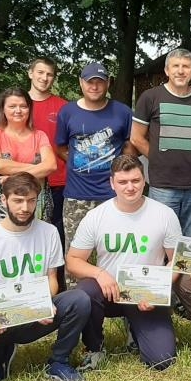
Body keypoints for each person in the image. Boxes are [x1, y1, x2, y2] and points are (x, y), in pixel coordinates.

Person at [0, 172, 90, 381]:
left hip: (35, 313)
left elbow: (52, 278)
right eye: (18, 200)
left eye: (31, 200)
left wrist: (44, 302)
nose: (25, 208)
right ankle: (1, 357)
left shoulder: (49, 232)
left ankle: (59, 361)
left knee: (79, 299)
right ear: (4, 200)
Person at [67, 156, 191, 371]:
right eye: (123, 182)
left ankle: (136, 328)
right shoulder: (96, 216)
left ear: (144, 179)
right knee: (85, 292)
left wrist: (157, 292)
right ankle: (95, 347)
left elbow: (177, 260)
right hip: (108, 290)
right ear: (112, 183)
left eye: (136, 181)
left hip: (145, 294)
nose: (130, 187)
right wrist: (100, 274)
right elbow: (73, 261)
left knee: (162, 360)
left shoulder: (164, 214)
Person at [131, 48, 191, 238]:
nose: (180, 70)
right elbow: (136, 138)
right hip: (163, 185)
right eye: (175, 66)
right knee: (160, 240)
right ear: (167, 70)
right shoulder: (150, 97)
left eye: (186, 66)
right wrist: (159, 158)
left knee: (190, 242)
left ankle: (185, 270)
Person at [55, 62, 135, 256]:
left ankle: (112, 286)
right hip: (77, 195)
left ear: (108, 84)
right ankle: (76, 288)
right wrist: (80, 164)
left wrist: (120, 167)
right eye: (90, 82)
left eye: (100, 82)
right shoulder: (68, 112)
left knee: (115, 251)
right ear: (81, 83)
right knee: (74, 252)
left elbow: (131, 144)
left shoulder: (123, 112)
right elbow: (60, 147)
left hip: (113, 194)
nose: (94, 86)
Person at [0, 87, 58, 225]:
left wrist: (12, 175)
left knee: (36, 244)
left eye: (23, 106)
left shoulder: (40, 135)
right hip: (2, 206)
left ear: (29, 109)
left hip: (36, 204)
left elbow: (51, 165)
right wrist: (36, 168)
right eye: (12, 106)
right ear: (3, 109)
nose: (18, 110)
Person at [26, 58, 70, 237]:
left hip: (58, 180)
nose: (44, 78)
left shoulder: (64, 107)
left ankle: (55, 266)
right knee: (26, 231)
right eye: (40, 72)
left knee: (55, 232)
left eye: (49, 74)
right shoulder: (18, 104)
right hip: (25, 178)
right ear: (30, 73)